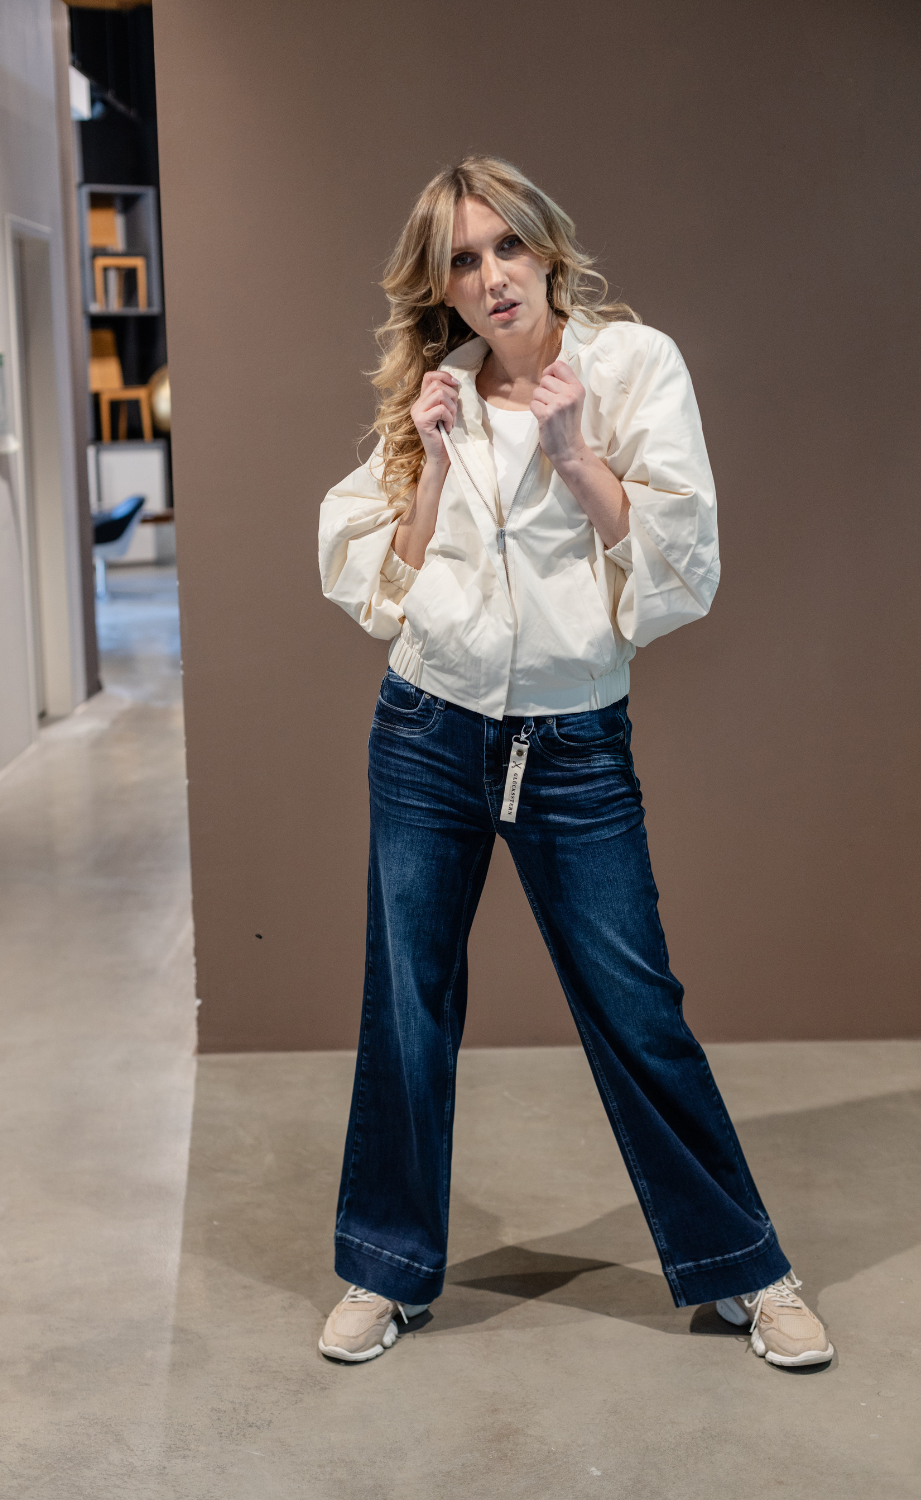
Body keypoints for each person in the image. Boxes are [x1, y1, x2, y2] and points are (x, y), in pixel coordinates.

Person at [316, 156, 833, 1370]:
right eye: (461, 259)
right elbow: (379, 584)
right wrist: (430, 465)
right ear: (440, 286)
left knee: (636, 1008)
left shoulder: (633, 366)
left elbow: (682, 566)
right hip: (427, 732)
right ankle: (383, 1268)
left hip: (571, 744)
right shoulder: (436, 393)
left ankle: (744, 1268)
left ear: (546, 249)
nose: (490, 275)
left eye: (507, 245)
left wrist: (571, 451)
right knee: (407, 1007)